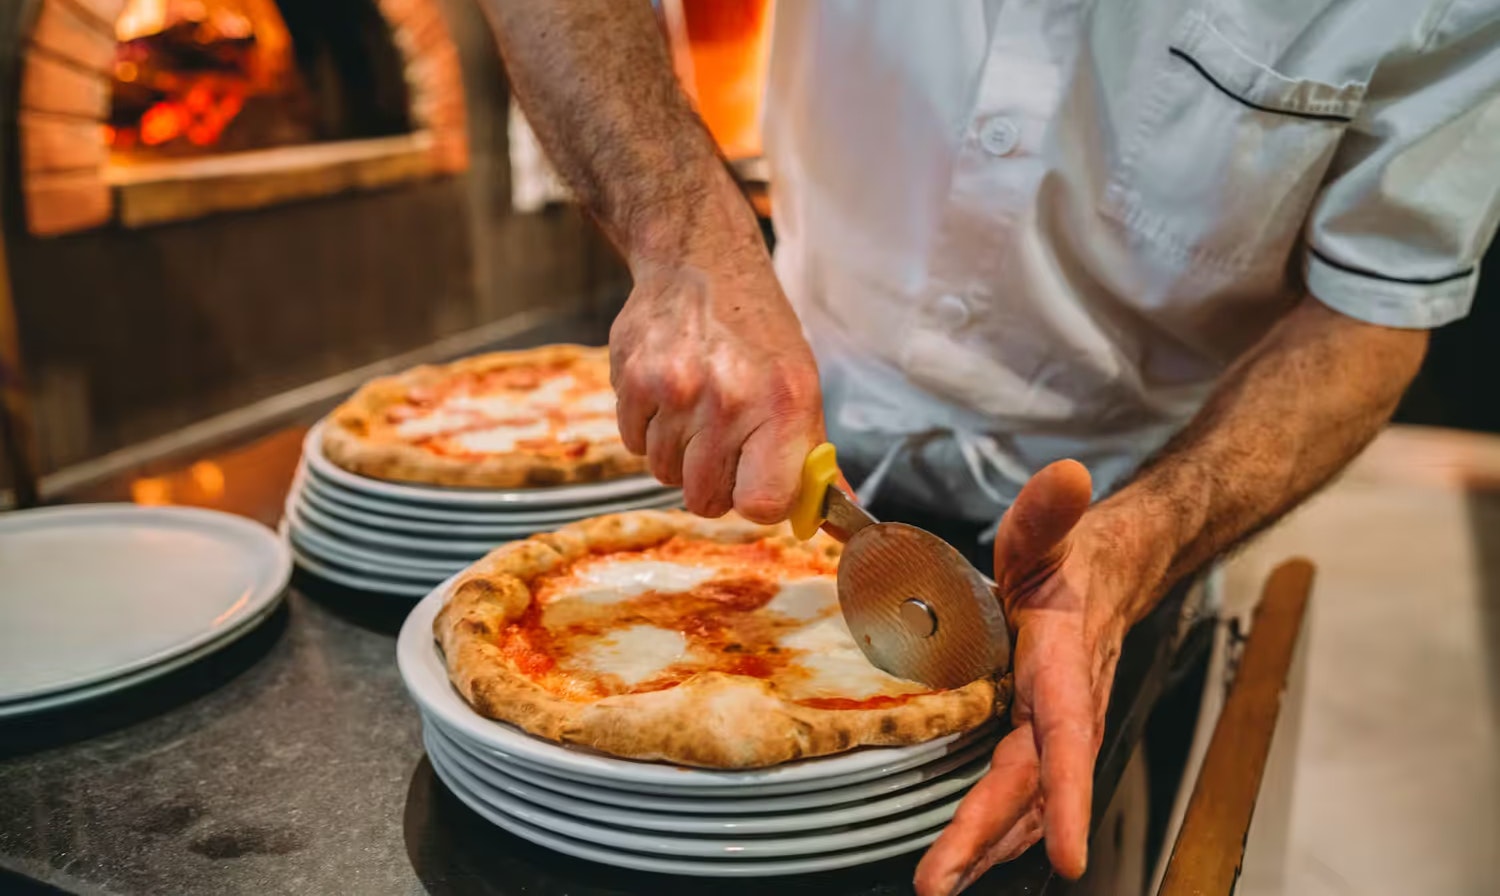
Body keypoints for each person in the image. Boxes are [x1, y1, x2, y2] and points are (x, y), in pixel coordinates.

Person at [480, 1, 1500, 892]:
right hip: (785, 463)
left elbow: (1371, 312)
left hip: (1132, 515)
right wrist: (685, 239)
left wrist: (1137, 548)